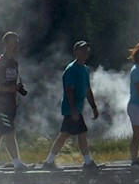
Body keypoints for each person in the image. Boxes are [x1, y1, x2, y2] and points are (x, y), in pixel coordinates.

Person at [42, 39, 99, 170]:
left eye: (86, 50)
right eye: (82, 50)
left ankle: (49, 162)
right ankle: (88, 162)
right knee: (80, 133)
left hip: (76, 108)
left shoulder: (85, 69)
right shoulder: (71, 69)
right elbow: (69, 90)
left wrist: (94, 106)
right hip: (71, 108)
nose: (85, 52)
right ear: (76, 52)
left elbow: (87, 89)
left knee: (65, 135)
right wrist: (73, 109)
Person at [0, 30, 29, 171]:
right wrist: (7, 90)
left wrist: (18, 88)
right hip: (0, 105)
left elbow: (11, 83)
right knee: (1, 133)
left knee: (6, 133)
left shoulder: (14, 63)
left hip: (10, 105)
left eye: (17, 43)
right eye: (13, 43)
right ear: (5, 44)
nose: (15, 46)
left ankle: (15, 163)